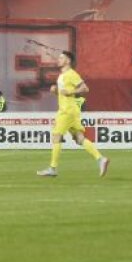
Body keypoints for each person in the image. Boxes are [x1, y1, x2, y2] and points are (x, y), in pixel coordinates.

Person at [36, 50, 109, 178]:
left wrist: (70, 92)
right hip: (71, 110)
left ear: (68, 61)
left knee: (56, 137)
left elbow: (85, 88)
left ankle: (53, 168)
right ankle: (100, 159)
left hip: (66, 111)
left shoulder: (71, 73)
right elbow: (65, 92)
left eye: (61, 58)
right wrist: (56, 91)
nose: (58, 60)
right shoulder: (62, 75)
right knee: (79, 138)